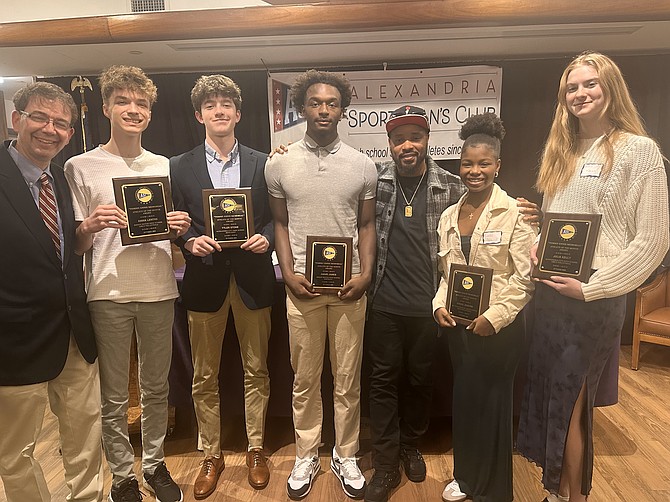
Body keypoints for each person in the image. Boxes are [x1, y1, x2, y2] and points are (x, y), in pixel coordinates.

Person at [516, 51, 669, 502]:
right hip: (552, 296)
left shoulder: (639, 151)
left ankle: (572, 497)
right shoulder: (559, 151)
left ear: (611, 89)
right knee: (552, 399)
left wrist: (594, 286)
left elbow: (653, 240)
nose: (580, 94)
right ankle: (557, 493)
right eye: (572, 87)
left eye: (590, 85)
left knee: (572, 405)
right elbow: (562, 226)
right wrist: (537, 238)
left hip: (594, 300)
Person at [64, 65, 191, 502]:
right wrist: (91, 225)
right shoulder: (79, 166)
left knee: (158, 388)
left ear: (151, 113)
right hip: (107, 294)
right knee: (114, 394)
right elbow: (75, 245)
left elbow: (173, 231)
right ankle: (121, 474)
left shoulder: (165, 165)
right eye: (123, 102)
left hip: (159, 289)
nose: (132, 110)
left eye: (141, 103)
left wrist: (179, 225)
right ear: (106, 108)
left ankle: (154, 465)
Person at [265, 69, 377, 500]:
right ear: (302, 108)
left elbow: (366, 225)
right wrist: (289, 273)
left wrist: (365, 274)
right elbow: (279, 221)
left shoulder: (362, 164)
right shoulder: (280, 161)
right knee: (305, 379)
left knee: (347, 380)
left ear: (343, 110)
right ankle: (307, 452)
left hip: (349, 290)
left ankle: (345, 453)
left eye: (332, 103)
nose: (324, 109)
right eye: (316, 102)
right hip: (303, 291)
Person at [170, 74, 275, 498]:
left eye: (226, 104)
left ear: (238, 113)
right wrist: (187, 239)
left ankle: (255, 449)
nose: (219, 110)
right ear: (199, 115)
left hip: (252, 277)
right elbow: (174, 218)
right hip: (205, 279)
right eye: (211, 105)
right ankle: (210, 454)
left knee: (257, 370)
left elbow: (275, 216)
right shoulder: (178, 165)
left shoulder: (265, 161)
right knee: (204, 375)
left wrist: (266, 235)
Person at [0, 82, 103, 502]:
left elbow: (59, 253)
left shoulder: (57, 178)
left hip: (74, 334)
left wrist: (86, 231)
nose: (50, 129)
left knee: (84, 438)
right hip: (15, 340)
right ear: (16, 119)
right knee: (17, 454)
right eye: (40, 117)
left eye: (61, 123)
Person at [364, 105, 466, 502]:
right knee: (383, 381)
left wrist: (526, 211)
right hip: (384, 305)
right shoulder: (375, 181)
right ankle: (386, 462)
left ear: (427, 140)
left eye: (415, 137)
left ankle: (411, 444)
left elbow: (488, 208)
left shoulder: (452, 186)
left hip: (430, 307)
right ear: (389, 144)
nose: (407, 145)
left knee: (421, 380)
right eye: (398, 138)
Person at [433, 113, 536, 502]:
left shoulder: (516, 213)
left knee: (493, 406)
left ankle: (493, 491)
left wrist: (494, 318)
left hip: (499, 331)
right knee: (465, 401)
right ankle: (465, 476)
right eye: (467, 164)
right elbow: (447, 273)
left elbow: (524, 279)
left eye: (483, 164)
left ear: (497, 166)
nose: (474, 171)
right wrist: (439, 305)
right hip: (459, 329)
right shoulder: (448, 215)